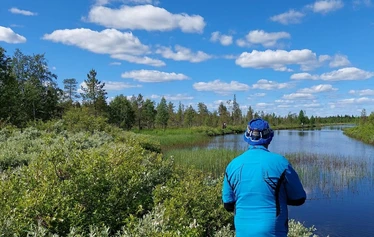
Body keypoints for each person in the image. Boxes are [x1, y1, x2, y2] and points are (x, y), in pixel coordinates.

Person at [222, 118, 306, 237]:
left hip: (242, 232)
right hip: (273, 231)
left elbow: (228, 203)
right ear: (269, 139)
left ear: (247, 138)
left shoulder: (232, 165)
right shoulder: (281, 163)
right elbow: (299, 198)